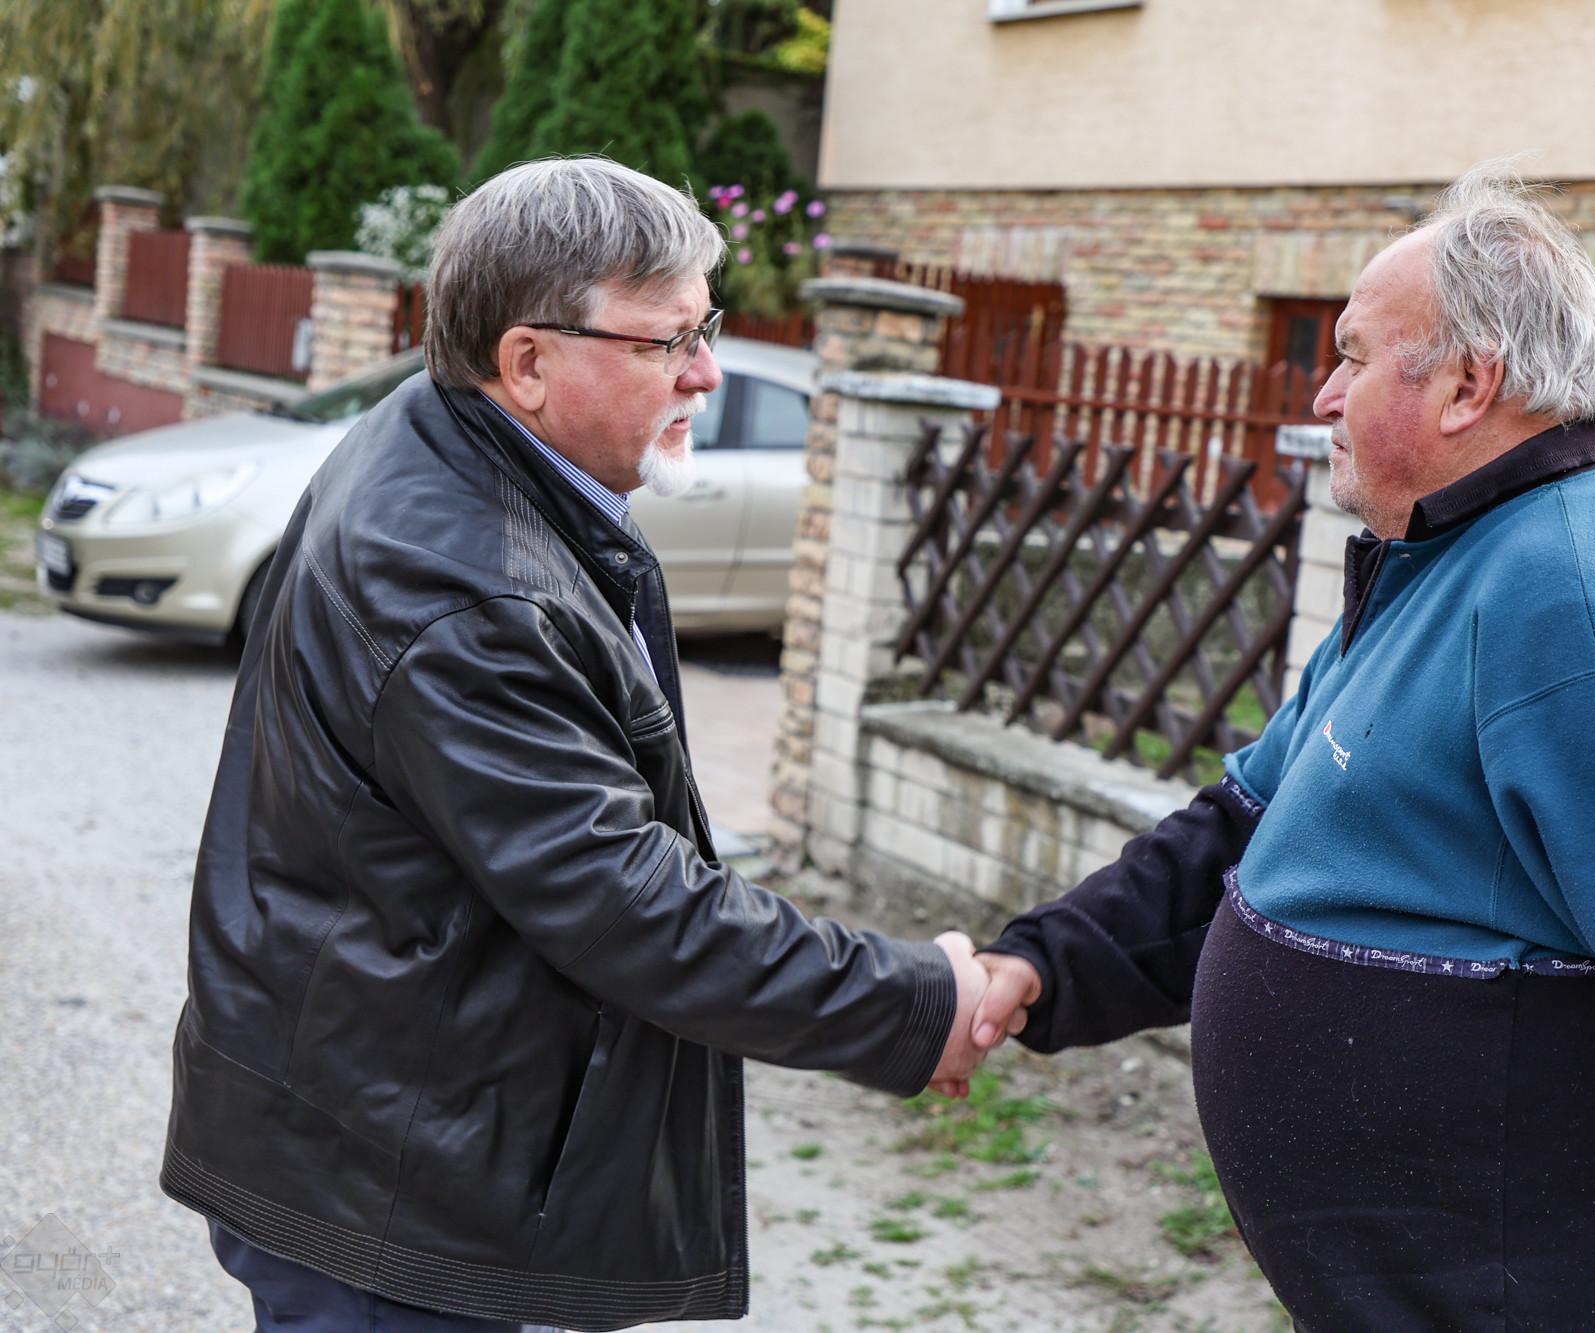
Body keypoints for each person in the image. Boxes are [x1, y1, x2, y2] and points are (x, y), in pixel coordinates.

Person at [961, 162, 1595, 1332]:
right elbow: (1247, 823)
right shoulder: (1443, 559)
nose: (1322, 396)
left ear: (1465, 385)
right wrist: (1041, 965)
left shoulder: (1575, 591)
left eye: (1349, 356)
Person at [160, 157, 989, 1333]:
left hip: (387, 1133)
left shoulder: (461, 446)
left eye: (705, 327)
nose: (706, 370)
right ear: (527, 362)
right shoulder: (462, 586)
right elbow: (625, 898)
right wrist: (912, 1001)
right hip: (384, 1195)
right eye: (666, 341)